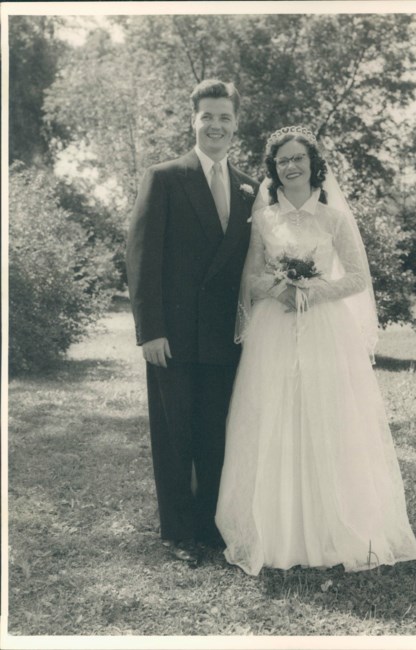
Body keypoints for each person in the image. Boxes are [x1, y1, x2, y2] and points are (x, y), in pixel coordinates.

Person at [215, 126, 416, 575]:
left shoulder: (333, 219)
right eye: (282, 161)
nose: (291, 167)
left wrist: (312, 290)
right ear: (274, 169)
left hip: (325, 329)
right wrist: (281, 289)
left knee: (327, 416)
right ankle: (279, 530)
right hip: (274, 328)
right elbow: (250, 277)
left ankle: (331, 528)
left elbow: (357, 278)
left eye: (298, 159)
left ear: (313, 165)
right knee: (276, 415)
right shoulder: (263, 218)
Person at [126, 79, 258, 566]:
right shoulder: (164, 177)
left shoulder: (250, 188)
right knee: (174, 436)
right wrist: (150, 330)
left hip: (226, 337)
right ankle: (178, 532)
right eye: (208, 116)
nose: (216, 125)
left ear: (236, 124)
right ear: (193, 120)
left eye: (225, 117)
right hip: (173, 335)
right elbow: (141, 258)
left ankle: (209, 526)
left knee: (215, 434)